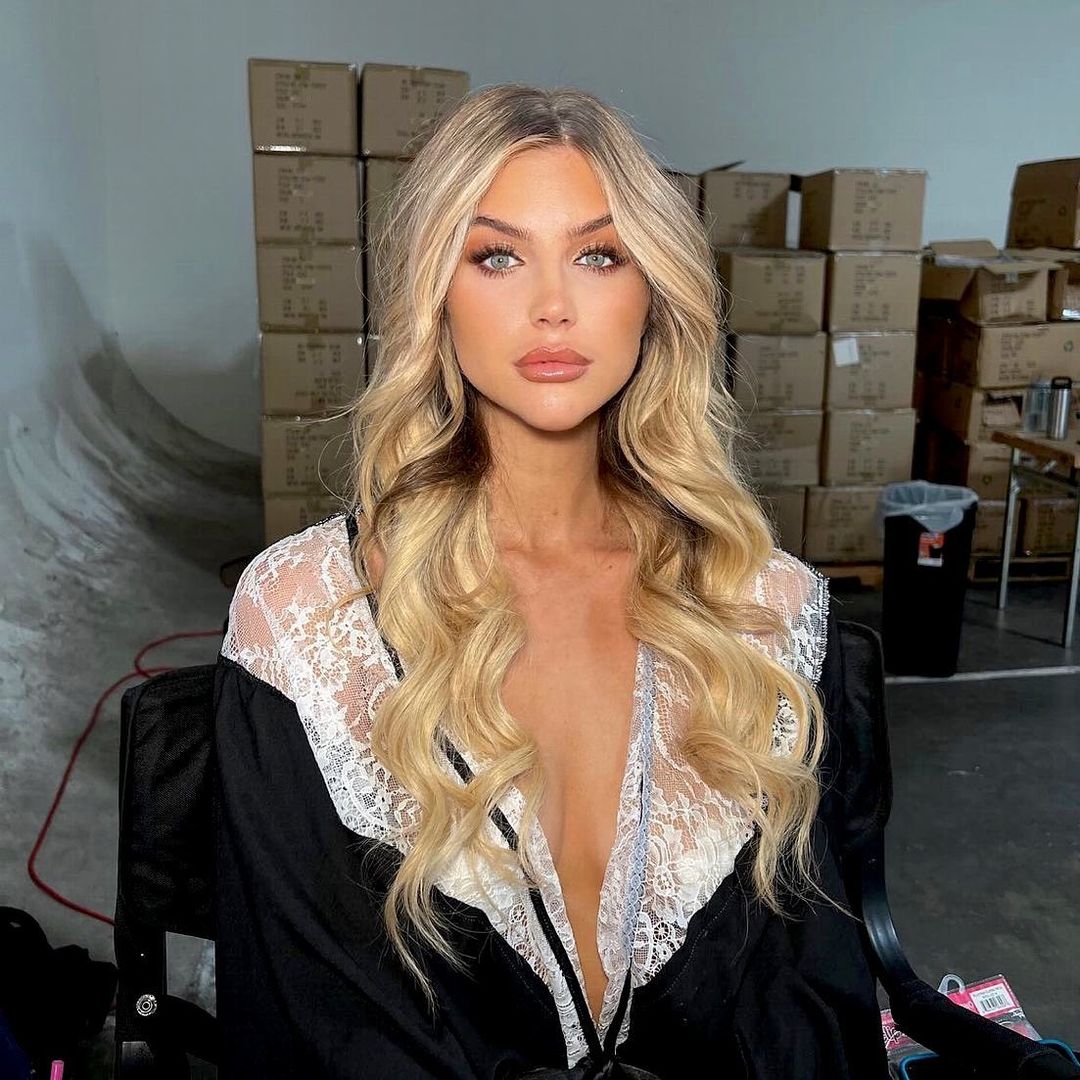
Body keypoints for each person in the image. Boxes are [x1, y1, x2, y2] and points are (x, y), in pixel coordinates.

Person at [214, 83, 888, 1078]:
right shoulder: (308, 619)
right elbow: (310, 1027)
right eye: (497, 256)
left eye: (599, 254)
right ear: (435, 293)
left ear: (654, 293)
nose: (553, 305)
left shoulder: (768, 608)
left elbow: (817, 1000)